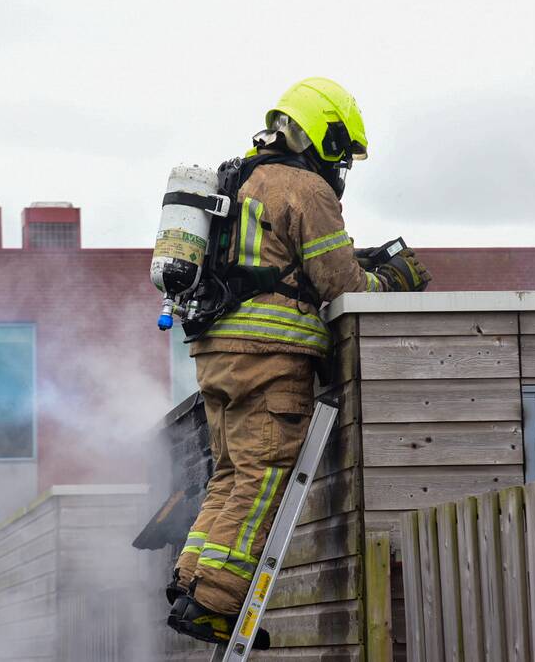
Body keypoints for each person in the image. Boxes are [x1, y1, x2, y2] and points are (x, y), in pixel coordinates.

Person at [166, 77, 431, 647]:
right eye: (339, 149)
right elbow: (339, 282)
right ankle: (214, 604)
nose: (340, 165)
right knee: (262, 478)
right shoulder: (305, 189)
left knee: (232, 474)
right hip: (269, 359)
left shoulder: (241, 179)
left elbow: (281, 263)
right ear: (318, 134)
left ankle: (192, 580)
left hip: (217, 355)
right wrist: (392, 278)